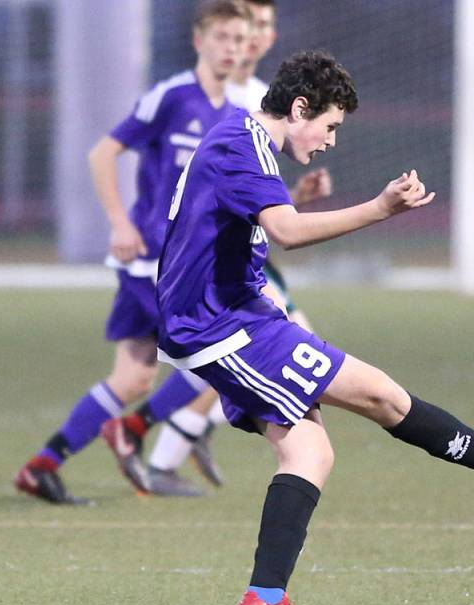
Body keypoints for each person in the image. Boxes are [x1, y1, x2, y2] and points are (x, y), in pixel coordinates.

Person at [155, 49, 474, 605]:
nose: (331, 140)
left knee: (311, 454)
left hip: (237, 314)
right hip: (218, 324)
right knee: (381, 395)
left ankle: (264, 601)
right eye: (329, 125)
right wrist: (380, 208)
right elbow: (284, 232)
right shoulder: (241, 143)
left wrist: (293, 199)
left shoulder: (244, 144)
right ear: (299, 107)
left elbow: (236, 221)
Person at [13, 0, 253, 505]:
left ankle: (43, 465)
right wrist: (120, 223)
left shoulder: (235, 116)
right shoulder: (172, 97)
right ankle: (134, 430)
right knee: (218, 358)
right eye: (222, 37)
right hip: (153, 259)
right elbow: (103, 152)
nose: (231, 48)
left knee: (135, 375)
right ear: (199, 41)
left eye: (239, 39)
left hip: (186, 264)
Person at [129, 0, 329, 497]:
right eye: (248, 27)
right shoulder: (218, 96)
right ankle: (164, 436)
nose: (256, 37)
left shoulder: (265, 97)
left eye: (265, 25)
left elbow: (263, 199)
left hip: (247, 254)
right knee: (285, 350)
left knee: (275, 353)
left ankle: (170, 439)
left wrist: (298, 197)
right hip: (203, 256)